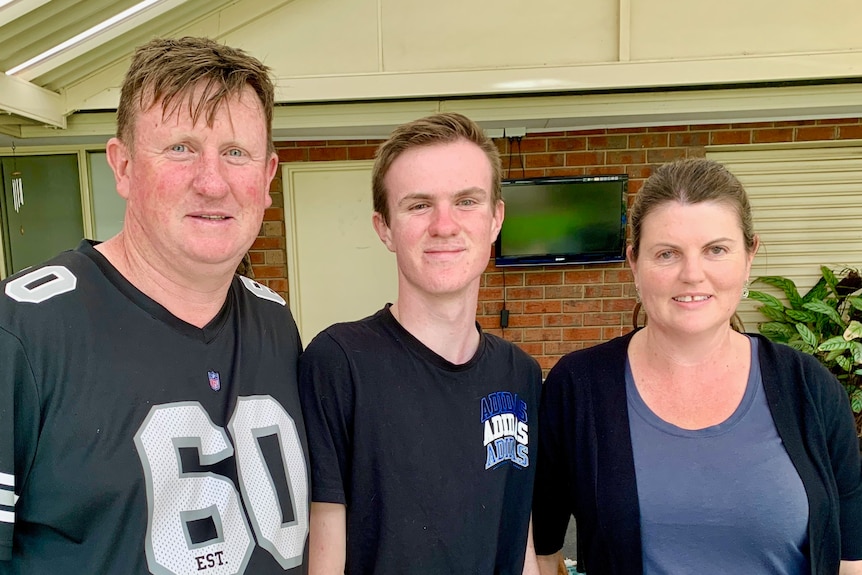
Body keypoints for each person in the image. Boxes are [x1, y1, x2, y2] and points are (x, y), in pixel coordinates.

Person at [0, 37, 309, 573]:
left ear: (266, 179)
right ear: (121, 167)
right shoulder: (23, 332)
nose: (212, 182)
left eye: (236, 153)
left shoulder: (274, 322)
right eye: (180, 148)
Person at [532, 158, 862, 575]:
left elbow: (851, 561)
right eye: (667, 253)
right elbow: (540, 552)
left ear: (749, 255)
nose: (692, 274)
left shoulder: (809, 389)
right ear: (634, 262)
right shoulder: (578, 387)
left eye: (716, 250)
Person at [298, 112, 542, 574]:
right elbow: (325, 547)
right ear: (384, 227)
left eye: (467, 201)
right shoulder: (340, 362)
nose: (444, 225)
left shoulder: (520, 374)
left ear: (496, 219)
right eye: (419, 205)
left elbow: (517, 535)